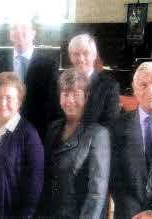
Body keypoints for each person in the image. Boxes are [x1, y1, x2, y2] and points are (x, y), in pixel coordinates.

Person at [38, 69, 110, 218]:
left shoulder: (98, 134)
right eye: (65, 94)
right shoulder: (53, 128)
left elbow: (97, 194)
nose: (70, 100)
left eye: (76, 94)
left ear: (86, 97)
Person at [0, 72, 44, 218]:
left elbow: (35, 184)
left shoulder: (29, 135)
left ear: (19, 102)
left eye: (9, 98)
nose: (3, 103)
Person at [111, 62, 152, 219]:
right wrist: (137, 214)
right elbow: (114, 178)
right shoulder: (118, 127)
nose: (150, 91)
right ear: (134, 89)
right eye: (143, 85)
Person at [0, 19, 61, 138]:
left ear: (33, 33)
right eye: (14, 28)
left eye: (24, 27)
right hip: (6, 130)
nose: (19, 31)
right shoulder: (0, 62)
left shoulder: (49, 65)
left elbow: (53, 104)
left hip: (38, 131)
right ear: (10, 34)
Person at [68, 34, 120, 127]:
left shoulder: (109, 86)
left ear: (94, 55)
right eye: (76, 54)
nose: (81, 58)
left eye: (86, 53)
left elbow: (110, 124)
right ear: (70, 57)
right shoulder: (62, 83)